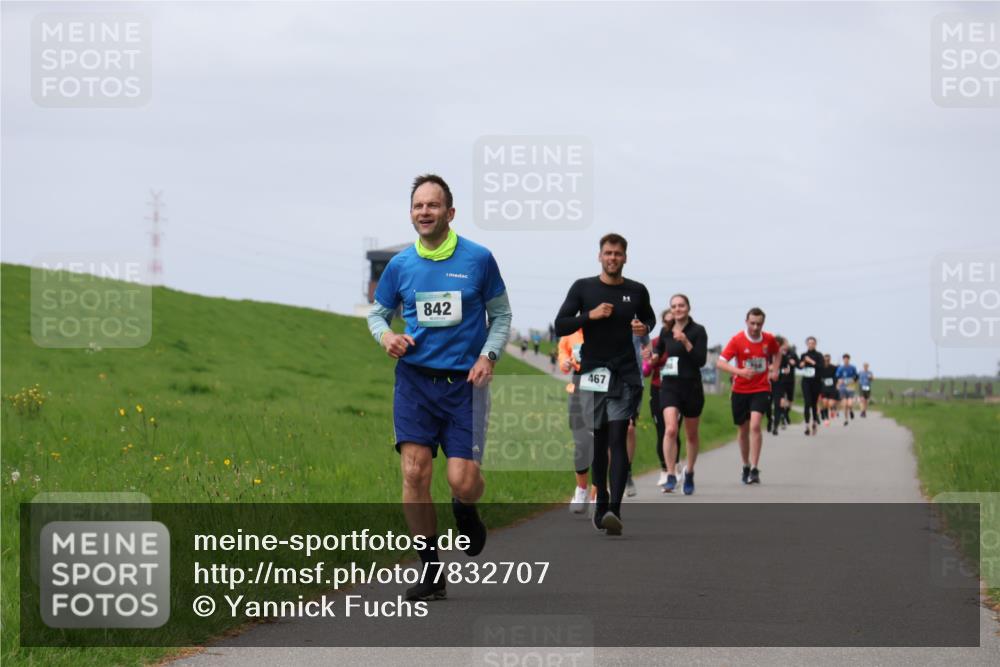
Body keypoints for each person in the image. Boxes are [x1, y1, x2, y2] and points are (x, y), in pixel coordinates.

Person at [367, 174, 512, 601]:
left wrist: (489, 356)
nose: (424, 212)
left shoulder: (479, 259)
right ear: (411, 213)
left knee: (462, 480)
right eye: (417, 206)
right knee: (414, 472)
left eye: (433, 205)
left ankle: (466, 509)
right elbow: (378, 314)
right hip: (414, 381)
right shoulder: (400, 266)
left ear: (450, 213)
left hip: (464, 384)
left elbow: (501, 316)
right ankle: (430, 571)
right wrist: (386, 337)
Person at [555, 233, 654, 535]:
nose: (613, 258)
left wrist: (643, 326)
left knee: (617, 438)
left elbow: (649, 319)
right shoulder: (583, 288)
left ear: (625, 258)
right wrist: (590, 315)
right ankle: (602, 502)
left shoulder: (636, 291)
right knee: (597, 441)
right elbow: (561, 324)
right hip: (594, 373)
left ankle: (615, 510)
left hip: (624, 373)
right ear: (600, 256)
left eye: (618, 254)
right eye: (608, 253)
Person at [716, 308, 781, 485]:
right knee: (743, 429)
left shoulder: (768, 339)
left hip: (761, 388)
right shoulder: (737, 340)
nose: (755, 327)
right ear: (746, 321)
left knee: (755, 425)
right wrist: (739, 371)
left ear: (763, 324)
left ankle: (754, 467)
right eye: (752, 323)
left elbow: (777, 352)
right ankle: (745, 465)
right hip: (740, 389)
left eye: (759, 324)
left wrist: (774, 369)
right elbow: (720, 363)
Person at [651, 294, 707, 495]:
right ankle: (671, 473)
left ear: (688, 308)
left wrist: (685, 341)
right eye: (674, 306)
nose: (677, 309)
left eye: (681, 305)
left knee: (691, 435)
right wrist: (653, 356)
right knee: (671, 430)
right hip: (670, 386)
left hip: (691, 386)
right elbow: (658, 351)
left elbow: (700, 360)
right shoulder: (666, 330)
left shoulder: (698, 331)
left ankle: (689, 472)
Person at [643, 310, 683, 487]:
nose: (669, 325)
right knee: (662, 431)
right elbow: (645, 371)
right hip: (658, 389)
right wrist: (650, 361)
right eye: (666, 322)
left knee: (673, 430)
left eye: (672, 322)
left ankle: (673, 466)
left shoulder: (681, 340)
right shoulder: (655, 343)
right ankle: (665, 470)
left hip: (678, 390)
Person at [558, 328, 594, 513]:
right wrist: (566, 362)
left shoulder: (605, 330)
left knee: (600, 443)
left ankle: (598, 495)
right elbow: (563, 363)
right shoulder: (570, 334)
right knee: (581, 443)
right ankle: (581, 490)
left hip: (601, 388)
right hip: (578, 388)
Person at [625, 332, 651, 497]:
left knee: (629, 429)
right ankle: (611, 475)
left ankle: (627, 472)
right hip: (609, 382)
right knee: (609, 431)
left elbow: (648, 344)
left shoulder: (637, 321)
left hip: (634, 382)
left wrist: (647, 353)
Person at [766, 336, 796, 436]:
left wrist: (780, 370)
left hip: (779, 383)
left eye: (779, 344)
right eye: (775, 344)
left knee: (778, 404)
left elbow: (787, 369)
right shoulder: (767, 355)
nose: (777, 346)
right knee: (767, 405)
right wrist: (769, 369)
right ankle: (770, 419)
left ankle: (775, 426)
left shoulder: (783, 357)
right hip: (767, 383)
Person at [798, 337, 823, 435]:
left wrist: (812, 361)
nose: (811, 345)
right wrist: (802, 364)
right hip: (806, 382)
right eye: (809, 343)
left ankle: (815, 423)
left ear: (815, 344)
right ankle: (807, 426)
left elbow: (821, 367)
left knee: (814, 404)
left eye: (813, 343)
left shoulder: (819, 355)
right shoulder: (803, 355)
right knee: (807, 403)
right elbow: (799, 366)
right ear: (806, 344)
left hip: (816, 382)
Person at [836, 353, 859, 426]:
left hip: (850, 387)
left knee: (850, 404)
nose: (846, 360)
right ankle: (846, 419)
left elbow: (856, 377)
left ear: (849, 359)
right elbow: (837, 377)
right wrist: (838, 382)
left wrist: (853, 381)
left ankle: (851, 410)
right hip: (842, 387)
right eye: (844, 359)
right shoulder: (840, 368)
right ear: (843, 360)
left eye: (847, 359)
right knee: (844, 404)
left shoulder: (853, 367)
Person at [819, 353, 838, 424]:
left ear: (830, 360)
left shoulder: (834, 368)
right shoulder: (820, 368)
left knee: (830, 404)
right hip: (823, 388)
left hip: (832, 388)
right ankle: (826, 418)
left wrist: (837, 384)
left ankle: (824, 411)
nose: (827, 361)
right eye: (825, 360)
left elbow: (837, 376)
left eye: (828, 360)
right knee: (825, 403)